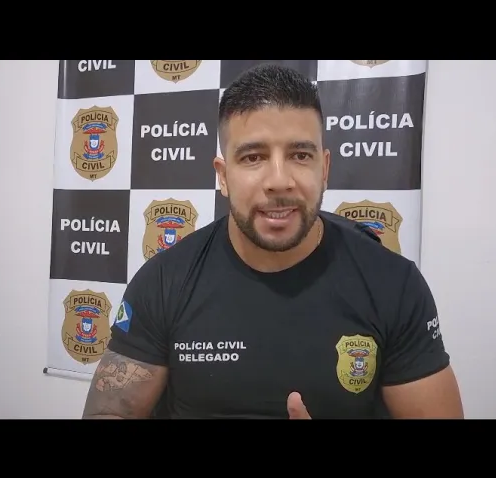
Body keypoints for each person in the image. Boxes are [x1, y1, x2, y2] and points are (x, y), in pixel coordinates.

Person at [82, 64, 463, 419]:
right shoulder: (165, 281)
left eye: (300, 155)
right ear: (223, 175)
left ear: (325, 169)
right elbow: (110, 411)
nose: (279, 181)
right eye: (253, 157)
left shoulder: (392, 284)